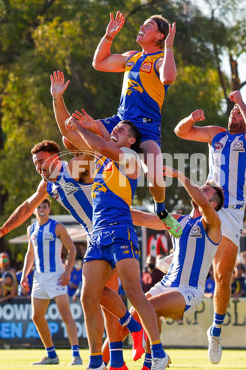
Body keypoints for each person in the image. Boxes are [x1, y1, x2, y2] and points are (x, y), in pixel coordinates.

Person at [62, 112, 170, 370]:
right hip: (98, 235)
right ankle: (96, 361)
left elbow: (98, 144)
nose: (116, 131)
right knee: (89, 297)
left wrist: (80, 125)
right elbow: (74, 140)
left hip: (120, 231)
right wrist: (59, 101)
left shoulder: (131, 158)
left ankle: (157, 353)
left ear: (132, 141)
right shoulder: (102, 163)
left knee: (134, 292)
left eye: (121, 130)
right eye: (116, 129)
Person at [174, 89, 246, 364]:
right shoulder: (216, 134)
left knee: (223, 275)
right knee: (187, 217)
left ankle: (215, 330)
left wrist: (242, 103)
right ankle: (176, 256)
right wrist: (191, 118)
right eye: (232, 111)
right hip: (210, 200)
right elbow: (181, 132)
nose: (233, 114)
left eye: (239, 112)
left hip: (233, 213)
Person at [91, 11, 182, 237]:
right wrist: (108, 36)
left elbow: (169, 78)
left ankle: (161, 211)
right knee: (74, 132)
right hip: (120, 121)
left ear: (160, 35)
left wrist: (169, 47)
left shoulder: (160, 59)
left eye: (148, 25)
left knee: (154, 178)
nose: (141, 26)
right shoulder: (131, 56)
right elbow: (99, 63)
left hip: (147, 128)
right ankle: (84, 184)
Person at [129, 166, 223, 370]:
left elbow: (201, 201)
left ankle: (155, 356)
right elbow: (144, 218)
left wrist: (181, 176)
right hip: (166, 284)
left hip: (188, 291)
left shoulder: (212, 222)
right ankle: (152, 359)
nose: (201, 189)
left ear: (213, 204)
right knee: (132, 316)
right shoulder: (178, 221)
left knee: (148, 309)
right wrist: (113, 207)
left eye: (206, 190)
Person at [20, 199, 82, 366]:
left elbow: (72, 249)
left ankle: (76, 354)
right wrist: (25, 274)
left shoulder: (57, 227)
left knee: (65, 313)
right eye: (38, 207)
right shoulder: (31, 229)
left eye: (44, 206)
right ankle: (51, 355)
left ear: (49, 209)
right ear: (34, 210)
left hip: (57, 275)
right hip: (39, 277)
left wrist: (68, 272)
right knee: (36, 317)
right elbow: (30, 253)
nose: (41, 209)